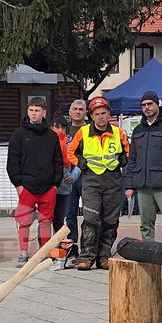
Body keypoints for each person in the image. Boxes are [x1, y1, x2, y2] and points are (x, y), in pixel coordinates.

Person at [69, 96, 130, 270]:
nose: (101, 117)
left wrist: (121, 162)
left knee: (110, 219)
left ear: (109, 113)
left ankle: (104, 256)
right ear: (92, 115)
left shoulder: (118, 133)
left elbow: (127, 152)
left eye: (104, 113)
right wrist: (83, 165)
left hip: (112, 178)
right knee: (90, 218)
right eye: (97, 114)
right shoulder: (83, 132)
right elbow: (71, 152)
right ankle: (86, 256)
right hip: (91, 179)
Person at [6, 97, 64, 266]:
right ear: (27, 111)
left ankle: (44, 253)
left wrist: (55, 185)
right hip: (26, 188)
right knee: (23, 221)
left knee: (46, 221)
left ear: (44, 112)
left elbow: (58, 161)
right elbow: (12, 162)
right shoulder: (18, 135)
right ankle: (23, 254)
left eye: (37, 110)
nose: (33, 113)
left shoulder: (52, 136)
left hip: (48, 188)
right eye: (31, 110)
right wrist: (18, 185)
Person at [123, 91, 162, 245]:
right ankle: (149, 259)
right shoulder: (138, 130)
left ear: (157, 104)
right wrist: (129, 185)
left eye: (150, 104)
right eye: (143, 105)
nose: (147, 107)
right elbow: (133, 159)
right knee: (146, 226)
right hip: (143, 186)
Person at [64, 99, 88, 243]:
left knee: (89, 214)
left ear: (85, 113)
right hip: (67, 178)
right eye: (75, 109)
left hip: (87, 176)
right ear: (70, 112)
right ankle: (71, 245)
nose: (78, 112)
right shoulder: (65, 129)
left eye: (81, 109)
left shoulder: (91, 129)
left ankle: (87, 245)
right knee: (70, 213)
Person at [50, 115, 78, 241]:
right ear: (51, 127)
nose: (60, 130)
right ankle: (44, 248)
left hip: (63, 185)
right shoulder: (46, 141)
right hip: (47, 185)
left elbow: (79, 163)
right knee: (45, 219)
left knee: (60, 218)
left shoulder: (71, 143)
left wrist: (73, 176)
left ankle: (60, 247)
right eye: (56, 127)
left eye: (63, 127)